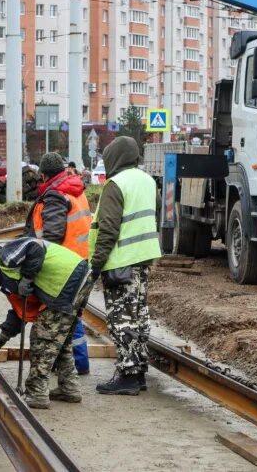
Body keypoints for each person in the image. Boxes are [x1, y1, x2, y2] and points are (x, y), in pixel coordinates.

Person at [0, 238, 94, 409]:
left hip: (67, 280)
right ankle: (69, 388)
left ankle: (37, 393)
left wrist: (27, 278)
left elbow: (34, 246)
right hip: (78, 278)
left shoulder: (4, 259)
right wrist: (4, 335)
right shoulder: (7, 280)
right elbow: (23, 310)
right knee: (60, 342)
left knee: (42, 338)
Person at [89, 136, 162, 395]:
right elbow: (155, 213)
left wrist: (96, 264)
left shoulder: (116, 184)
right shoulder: (148, 181)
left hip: (120, 262)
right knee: (140, 317)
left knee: (122, 319)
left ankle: (128, 376)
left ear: (114, 157)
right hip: (143, 259)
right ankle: (138, 370)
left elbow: (108, 229)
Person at [24, 152, 92, 375]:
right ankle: (79, 364)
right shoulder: (75, 190)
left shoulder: (55, 195)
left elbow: (52, 236)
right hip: (80, 261)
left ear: (43, 175)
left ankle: (71, 365)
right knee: (72, 317)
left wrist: (35, 264)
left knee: (58, 318)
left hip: (62, 267)